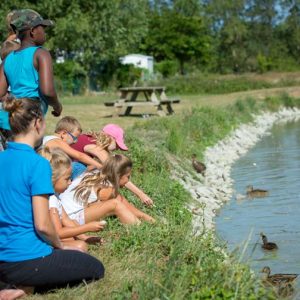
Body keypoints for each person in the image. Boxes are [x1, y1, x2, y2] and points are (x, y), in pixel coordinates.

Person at [0, 98, 104, 294]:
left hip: (2, 258)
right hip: (26, 259)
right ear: (38, 123)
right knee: (96, 268)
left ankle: (11, 284)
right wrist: (59, 246)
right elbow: (42, 225)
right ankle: (23, 287)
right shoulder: (37, 163)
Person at [0, 9, 62, 121]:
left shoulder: (7, 59)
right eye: (42, 28)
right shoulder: (41, 54)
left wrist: (15, 105)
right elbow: (48, 91)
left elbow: (0, 93)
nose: (44, 32)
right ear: (33, 30)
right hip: (32, 114)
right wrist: (57, 106)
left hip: (11, 117)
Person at [71, 124, 154, 206]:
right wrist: (140, 194)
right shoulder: (97, 149)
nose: (117, 148)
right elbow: (117, 173)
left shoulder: (89, 138)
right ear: (110, 138)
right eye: (117, 144)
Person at [40, 147, 106, 250]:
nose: (70, 182)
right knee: (80, 246)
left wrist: (85, 237)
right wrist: (88, 227)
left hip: (49, 238)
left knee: (74, 228)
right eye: (67, 179)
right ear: (53, 178)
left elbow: (66, 219)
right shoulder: (50, 201)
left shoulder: (55, 196)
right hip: (44, 241)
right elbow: (58, 232)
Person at [60, 154, 155, 225]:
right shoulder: (106, 189)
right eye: (128, 176)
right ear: (118, 176)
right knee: (115, 204)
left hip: (63, 213)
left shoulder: (96, 173)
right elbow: (119, 203)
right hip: (70, 218)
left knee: (118, 199)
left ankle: (147, 218)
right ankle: (138, 227)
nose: (128, 180)